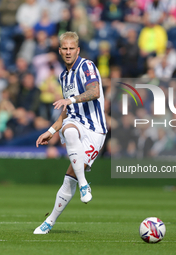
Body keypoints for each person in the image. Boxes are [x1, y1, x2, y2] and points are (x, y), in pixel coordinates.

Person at [33, 31, 107, 234]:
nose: (67, 52)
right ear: (59, 50)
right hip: (75, 123)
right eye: (64, 48)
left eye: (71, 48)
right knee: (69, 130)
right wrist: (51, 130)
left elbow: (95, 92)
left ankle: (78, 185)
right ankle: (51, 220)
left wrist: (71, 99)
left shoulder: (87, 66)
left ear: (78, 50)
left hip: (96, 129)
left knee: (69, 178)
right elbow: (68, 112)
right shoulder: (63, 76)